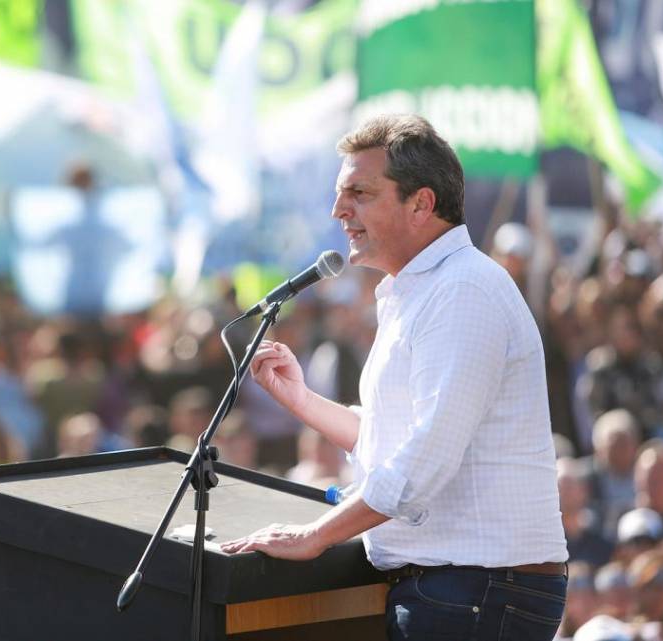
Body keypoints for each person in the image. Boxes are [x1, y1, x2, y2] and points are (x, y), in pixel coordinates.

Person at [219, 115, 568, 640]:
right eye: (341, 195)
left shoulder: (463, 291)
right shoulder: (420, 292)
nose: (339, 211)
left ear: (421, 204)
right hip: (461, 590)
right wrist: (302, 401)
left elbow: (424, 460)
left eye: (360, 193)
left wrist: (316, 535)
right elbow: (395, 441)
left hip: (479, 590)